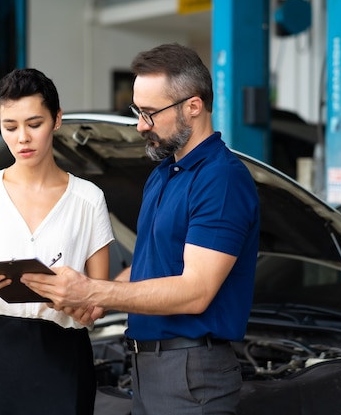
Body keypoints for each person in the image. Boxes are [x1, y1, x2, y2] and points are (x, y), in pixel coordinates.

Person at [22, 43, 260, 415]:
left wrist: (91, 289)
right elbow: (152, 267)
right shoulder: (163, 174)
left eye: (150, 113)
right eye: (137, 111)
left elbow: (195, 291)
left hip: (190, 372)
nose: (140, 125)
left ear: (193, 107)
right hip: (147, 368)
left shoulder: (222, 179)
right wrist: (100, 297)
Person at [0, 68, 114, 415]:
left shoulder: (88, 199)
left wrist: (76, 303)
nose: (22, 137)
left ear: (56, 120)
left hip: (62, 357)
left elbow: (97, 302)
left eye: (34, 124)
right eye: (10, 127)